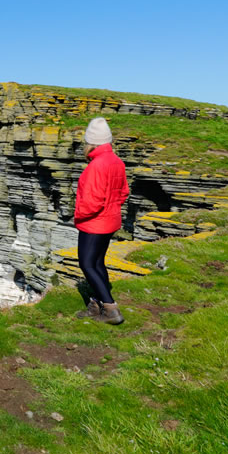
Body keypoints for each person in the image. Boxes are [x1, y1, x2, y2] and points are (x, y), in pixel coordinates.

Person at [73, 117, 130, 324]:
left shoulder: (96, 166)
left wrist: (78, 215)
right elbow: (124, 192)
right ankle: (97, 304)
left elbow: (92, 202)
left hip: (94, 223)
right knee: (97, 262)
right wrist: (112, 208)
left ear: (91, 142)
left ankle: (110, 308)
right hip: (109, 221)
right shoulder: (116, 162)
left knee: (87, 264)